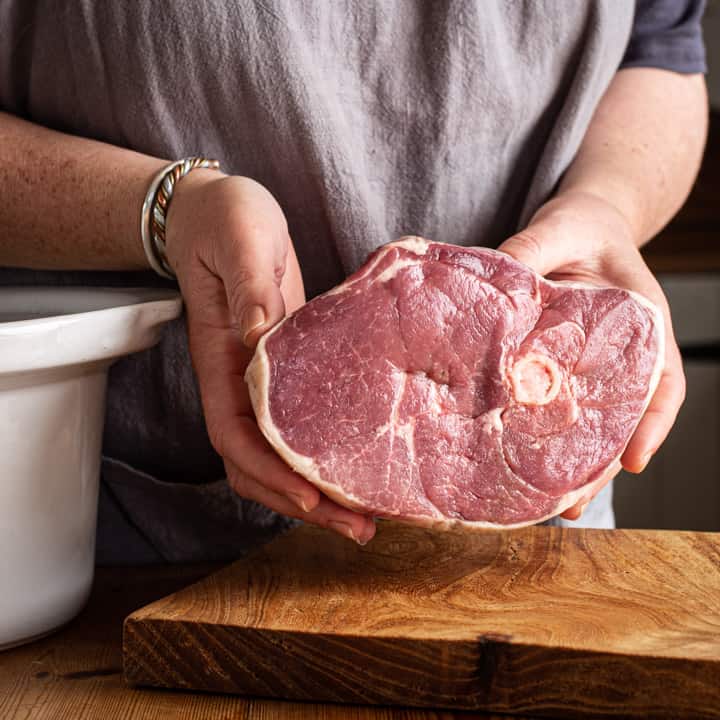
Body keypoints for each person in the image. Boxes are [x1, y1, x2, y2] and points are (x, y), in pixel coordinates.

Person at [0, 1, 708, 563]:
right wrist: (161, 210)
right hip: (116, 550)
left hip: (536, 543)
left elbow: (660, 53)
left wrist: (607, 202)